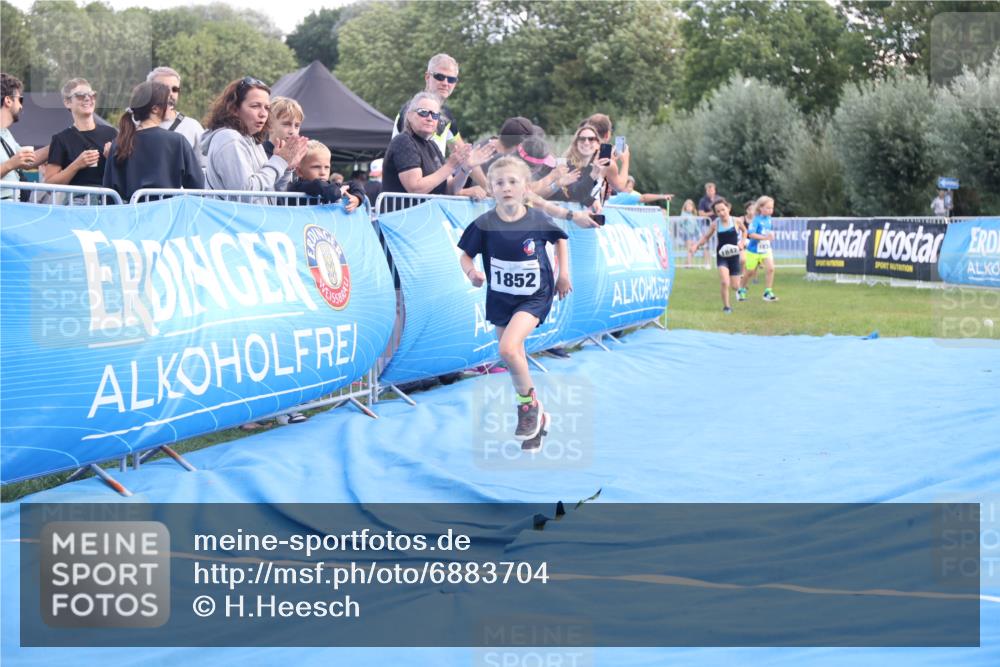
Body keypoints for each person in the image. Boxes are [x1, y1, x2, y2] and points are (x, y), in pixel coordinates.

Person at [458, 156, 571, 443]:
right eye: (499, 183)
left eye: (512, 182)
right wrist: (471, 273)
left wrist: (564, 274)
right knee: (513, 355)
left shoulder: (537, 219)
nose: (506, 187)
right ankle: (538, 415)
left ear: (525, 187)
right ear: (491, 189)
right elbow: (465, 256)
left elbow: (561, 238)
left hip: (535, 296)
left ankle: (527, 408)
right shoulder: (484, 224)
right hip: (500, 299)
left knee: (508, 348)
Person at [200, 76, 308, 204]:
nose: (263, 114)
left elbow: (271, 194)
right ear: (234, 109)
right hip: (237, 217)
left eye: (267, 108)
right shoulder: (229, 138)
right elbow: (245, 193)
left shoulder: (252, 140)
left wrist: (286, 168)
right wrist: (279, 161)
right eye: (255, 106)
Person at [103, 81, 204, 202]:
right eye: (168, 103)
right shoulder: (177, 141)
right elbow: (197, 186)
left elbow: (109, 193)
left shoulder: (119, 143)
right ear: (155, 109)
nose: (171, 107)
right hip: (167, 211)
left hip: (132, 212)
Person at [382, 91, 492, 198]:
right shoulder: (404, 141)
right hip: (405, 210)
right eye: (423, 112)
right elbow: (415, 189)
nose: (430, 118)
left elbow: (450, 190)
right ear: (409, 115)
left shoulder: (433, 146)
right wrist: (450, 166)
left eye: (435, 115)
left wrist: (466, 168)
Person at [42, 78, 118, 199]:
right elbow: (49, 185)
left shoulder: (111, 133)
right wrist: (77, 165)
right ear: (68, 102)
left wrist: (113, 159)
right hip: (78, 204)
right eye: (80, 95)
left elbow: (127, 173)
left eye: (92, 94)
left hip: (109, 203)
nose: (88, 98)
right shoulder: (61, 139)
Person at [146, 66, 205, 170]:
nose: (170, 94)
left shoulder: (192, 127)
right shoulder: (134, 124)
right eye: (163, 88)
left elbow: (203, 168)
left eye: (175, 89)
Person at [693, 197, 745, 313]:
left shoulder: (736, 221)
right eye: (718, 211)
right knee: (725, 282)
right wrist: (696, 245)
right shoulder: (715, 224)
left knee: (735, 286)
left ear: (728, 208)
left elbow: (745, 231)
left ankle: (739, 283)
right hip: (722, 256)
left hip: (734, 256)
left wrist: (742, 242)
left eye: (723, 209)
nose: (721, 213)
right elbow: (706, 237)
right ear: (715, 213)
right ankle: (727, 307)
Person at [551, 124, 610, 212]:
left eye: (591, 139)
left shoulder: (599, 166)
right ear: (576, 143)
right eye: (582, 139)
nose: (586, 142)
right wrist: (591, 200)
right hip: (566, 214)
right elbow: (573, 193)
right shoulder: (565, 165)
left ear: (598, 144)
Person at [288, 140, 363, 209]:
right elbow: (318, 185)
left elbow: (354, 184)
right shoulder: (298, 187)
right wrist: (339, 192)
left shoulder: (328, 186)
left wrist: (357, 198)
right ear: (300, 172)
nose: (323, 172)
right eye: (316, 167)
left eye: (327, 167)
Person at [1, 73, 36, 201]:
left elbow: (27, 160)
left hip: (12, 205)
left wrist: (56, 144)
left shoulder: (6, 133)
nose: (21, 106)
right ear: (8, 100)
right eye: (20, 100)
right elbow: (16, 161)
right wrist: (11, 164)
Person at [740, 195, 779, 302]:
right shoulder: (756, 220)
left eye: (772, 208)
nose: (770, 210)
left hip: (765, 250)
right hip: (753, 251)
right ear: (760, 208)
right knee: (749, 272)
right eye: (768, 208)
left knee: (771, 268)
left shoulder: (769, 219)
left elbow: (767, 232)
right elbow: (751, 234)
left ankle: (767, 292)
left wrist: (771, 235)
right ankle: (741, 289)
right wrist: (765, 237)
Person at [584, 113, 629, 191]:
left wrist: (612, 161)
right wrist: (625, 161)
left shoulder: (577, 152)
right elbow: (620, 186)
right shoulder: (607, 163)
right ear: (607, 135)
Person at [606, 176, 673, 206]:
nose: (631, 189)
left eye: (632, 187)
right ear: (623, 186)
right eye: (629, 187)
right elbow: (644, 198)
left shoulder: (608, 197)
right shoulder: (625, 197)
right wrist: (663, 196)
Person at [678, 199, 703, 268]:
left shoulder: (692, 215)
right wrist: (684, 220)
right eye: (687, 206)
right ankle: (689, 264)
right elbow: (680, 223)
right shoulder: (683, 214)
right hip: (686, 234)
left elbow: (696, 225)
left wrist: (699, 233)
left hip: (692, 235)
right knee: (689, 249)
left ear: (692, 207)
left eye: (690, 206)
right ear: (685, 207)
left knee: (694, 248)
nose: (689, 208)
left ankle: (686, 264)